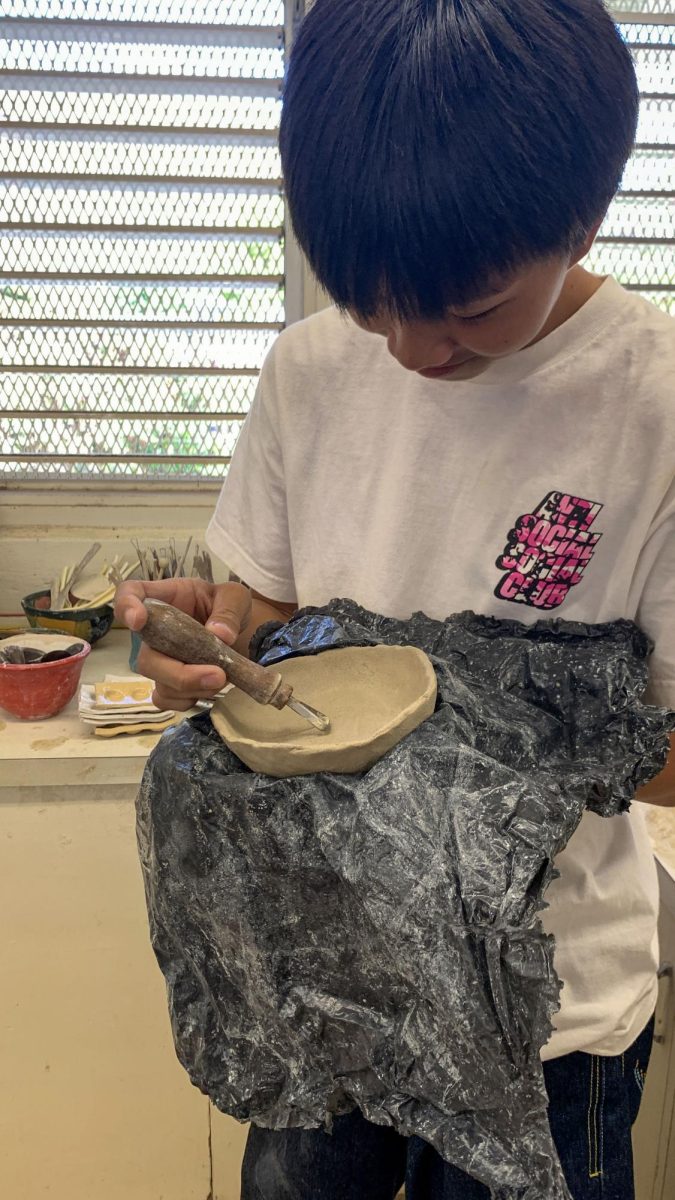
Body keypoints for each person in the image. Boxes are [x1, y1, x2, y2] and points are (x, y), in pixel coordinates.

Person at [115, 1, 675, 1196]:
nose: (415, 352)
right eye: (372, 300)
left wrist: (457, 729)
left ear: (583, 220)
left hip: (546, 1020)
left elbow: (672, 756)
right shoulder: (309, 372)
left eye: (469, 307)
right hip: (322, 979)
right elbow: (262, 623)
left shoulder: (655, 412)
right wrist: (217, 645)